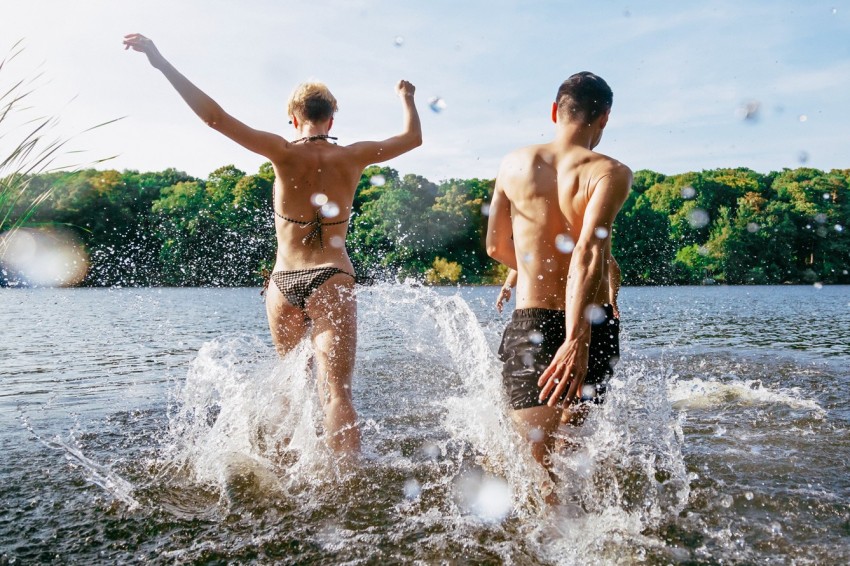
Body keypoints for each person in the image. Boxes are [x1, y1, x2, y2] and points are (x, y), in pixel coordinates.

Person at [124, 34, 422, 457]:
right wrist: (407, 97)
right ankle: (346, 487)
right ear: (331, 119)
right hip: (332, 277)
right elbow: (412, 138)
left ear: (292, 117)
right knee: (336, 392)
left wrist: (159, 60)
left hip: (283, 282)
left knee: (290, 384)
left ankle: (281, 475)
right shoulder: (353, 156)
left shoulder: (281, 151)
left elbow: (214, 118)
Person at [486, 72, 631, 474]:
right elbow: (588, 250)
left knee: (535, 464)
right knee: (570, 450)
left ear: (555, 111)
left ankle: (543, 531)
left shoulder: (512, 164)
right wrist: (575, 338)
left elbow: (495, 246)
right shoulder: (610, 172)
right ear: (604, 117)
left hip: (531, 321)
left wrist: (530, 270)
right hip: (590, 323)